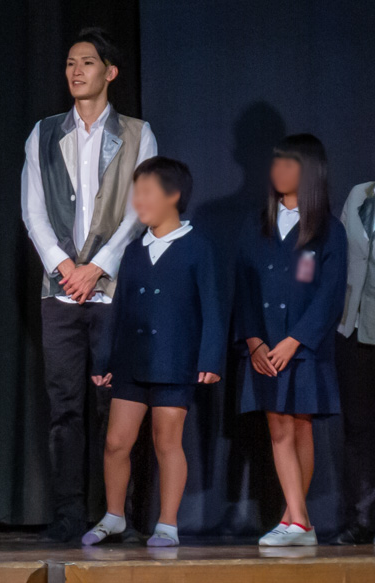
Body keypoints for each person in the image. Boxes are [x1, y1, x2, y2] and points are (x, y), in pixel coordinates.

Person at [20, 27, 157, 541]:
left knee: (114, 405)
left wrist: (98, 266)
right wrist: (63, 267)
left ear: (110, 72)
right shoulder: (44, 132)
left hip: (112, 290)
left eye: (87, 63)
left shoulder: (139, 134)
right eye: (70, 63)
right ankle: (69, 512)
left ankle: (114, 513)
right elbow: (32, 208)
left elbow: (141, 207)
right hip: (59, 291)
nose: (76, 71)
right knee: (65, 407)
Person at [84, 157, 224, 547]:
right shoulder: (132, 251)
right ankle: (114, 516)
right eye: (137, 193)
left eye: (147, 192)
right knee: (116, 442)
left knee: (167, 441)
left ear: (173, 196)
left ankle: (167, 524)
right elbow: (119, 307)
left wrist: (209, 359)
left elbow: (212, 308)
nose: (139, 201)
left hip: (175, 361)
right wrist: (104, 358)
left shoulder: (197, 248)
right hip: (131, 360)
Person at [235, 134, 347, 547]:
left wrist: (295, 341)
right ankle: (299, 520)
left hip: (303, 351)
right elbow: (244, 286)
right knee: (277, 427)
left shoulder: (327, 230)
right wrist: (253, 341)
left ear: (310, 170)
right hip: (263, 348)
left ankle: (295, 520)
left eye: (290, 163)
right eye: (276, 162)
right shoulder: (256, 223)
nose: (279, 171)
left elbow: (330, 294)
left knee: (300, 428)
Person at [332, 180, 375, 545]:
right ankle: (361, 519)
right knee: (358, 430)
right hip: (354, 328)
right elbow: (343, 255)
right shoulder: (360, 194)